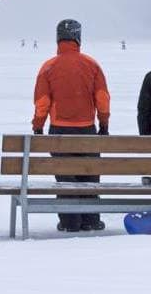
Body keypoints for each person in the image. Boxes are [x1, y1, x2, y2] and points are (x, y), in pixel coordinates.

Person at [32, 19, 111, 232]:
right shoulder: (92, 65)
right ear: (79, 38)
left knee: (66, 178)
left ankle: (69, 221)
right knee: (89, 176)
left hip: (60, 131)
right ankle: (91, 220)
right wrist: (103, 124)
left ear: (58, 39)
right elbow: (102, 98)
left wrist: (38, 126)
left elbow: (42, 102)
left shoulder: (48, 67)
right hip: (87, 130)